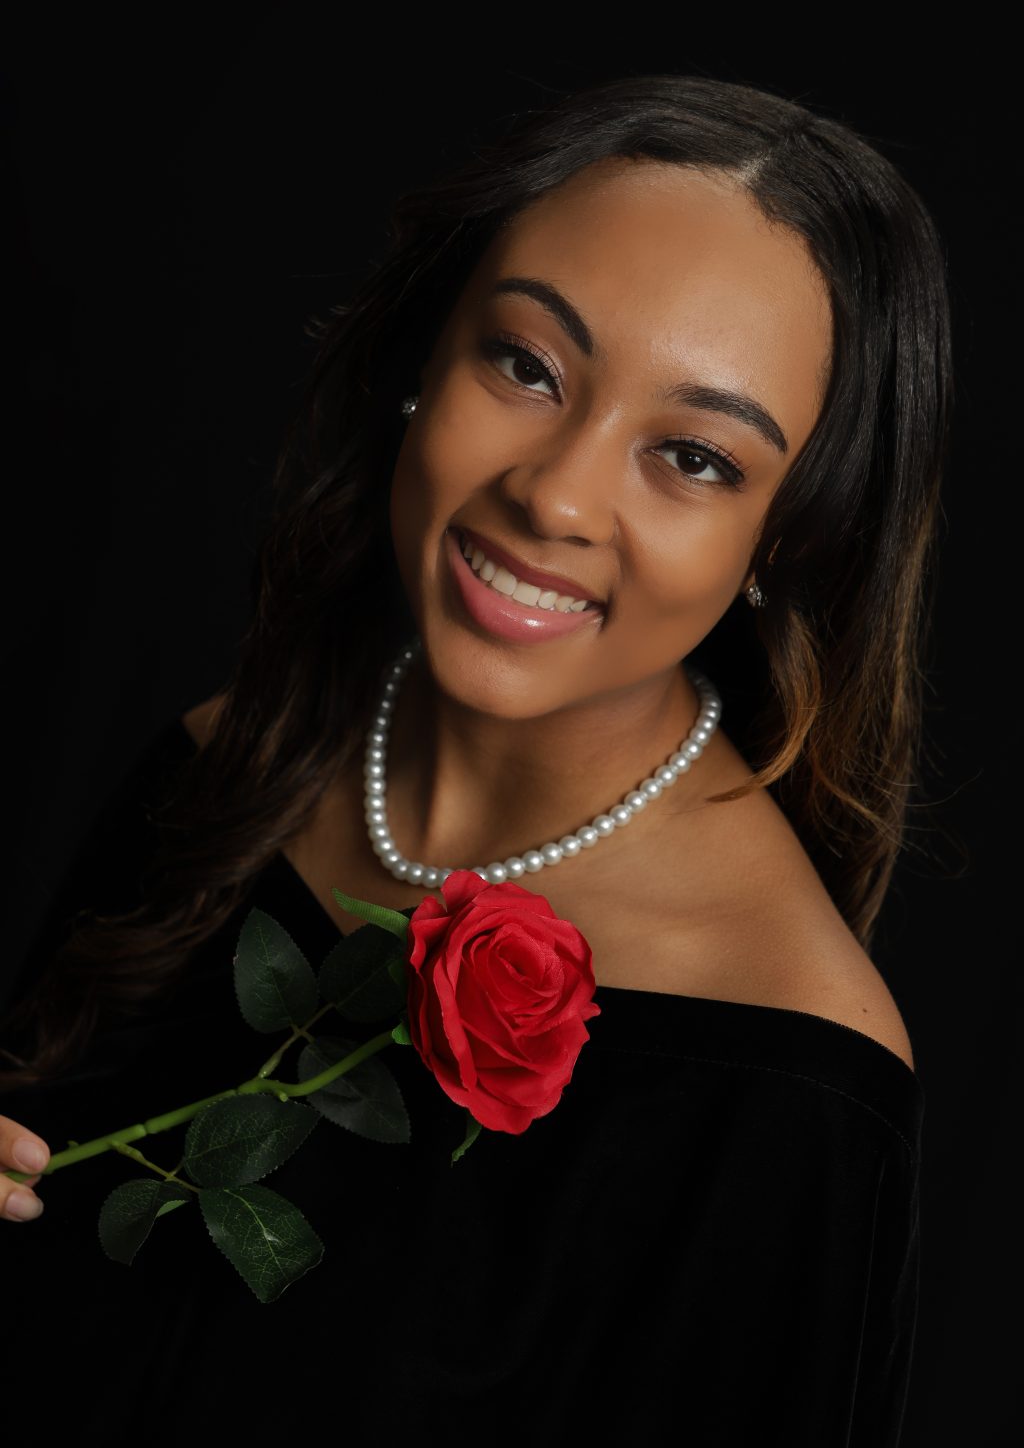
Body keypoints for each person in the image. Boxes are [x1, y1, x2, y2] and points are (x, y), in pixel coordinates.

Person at [0, 74, 949, 1445]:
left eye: (693, 456)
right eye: (526, 365)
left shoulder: (794, 1097)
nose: (556, 494)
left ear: (791, 537)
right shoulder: (220, 764)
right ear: (427, 355)